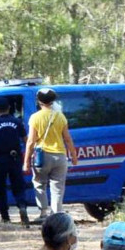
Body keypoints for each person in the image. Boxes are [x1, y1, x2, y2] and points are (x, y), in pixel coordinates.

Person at [22, 88, 79, 221]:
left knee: (39, 183)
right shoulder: (60, 116)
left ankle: (43, 213)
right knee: (58, 186)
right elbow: (67, 138)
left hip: (42, 156)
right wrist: (74, 156)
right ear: (53, 101)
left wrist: (26, 162)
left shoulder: (35, 117)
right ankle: (57, 214)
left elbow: (30, 141)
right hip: (60, 156)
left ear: (39, 101)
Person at [0, 97, 32, 225]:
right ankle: (22, 206)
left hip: (0, 160)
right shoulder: (17, 122)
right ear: (9, 108)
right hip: (15, 158)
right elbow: (26, 139)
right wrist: (29, 156)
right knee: (18, 185)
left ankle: (5, 217)